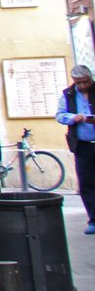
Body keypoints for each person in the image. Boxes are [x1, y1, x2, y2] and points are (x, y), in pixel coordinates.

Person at [55, 64, 95, 235]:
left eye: (85, 82)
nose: (82, 85)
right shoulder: (68, 95)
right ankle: (93, 219)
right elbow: (60, 115)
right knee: (87, 183)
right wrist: (73, 118)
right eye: (79, 82)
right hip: (83, 145)